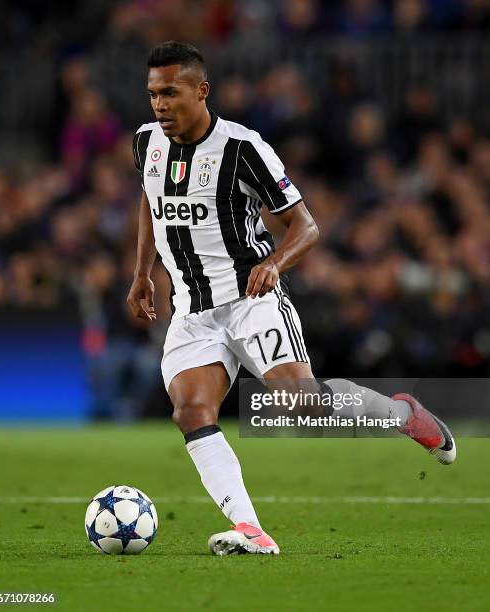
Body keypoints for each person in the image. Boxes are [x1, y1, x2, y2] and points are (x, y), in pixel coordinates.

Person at [127, 41, 456, 556]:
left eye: (170, 93)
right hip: (193, 310)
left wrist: (274, 262)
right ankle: (251, 530)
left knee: (303, 404)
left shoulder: (242, 148)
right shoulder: (146, 142)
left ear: (201, 90)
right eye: (152, 95)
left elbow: (306, 226)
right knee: (191, 411)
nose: (160, 106)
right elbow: (150, 202)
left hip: (251, 299)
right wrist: (142, 273)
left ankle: (401, 414)